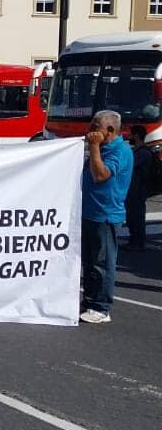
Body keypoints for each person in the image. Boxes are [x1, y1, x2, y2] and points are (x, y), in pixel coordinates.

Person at [80, 110, 132, 324]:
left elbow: (101, 175)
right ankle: (90, 300)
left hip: (106, 214)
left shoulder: (119, 151)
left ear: (110, 130)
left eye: (95, 128)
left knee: (102, 262)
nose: (91, 132)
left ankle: (101, 307)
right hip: (90, 212)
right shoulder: (103, 148)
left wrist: (93, 148)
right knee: (90, 262)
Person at [125, 125, 151, 252]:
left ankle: (138, 242)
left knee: (137, 217)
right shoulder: (137, 151)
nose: (129, 136)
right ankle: (134, 240)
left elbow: (128, 165)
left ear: (136, 135)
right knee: (132, 216)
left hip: (138, 190)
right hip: (132, 190)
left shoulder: (143, 153)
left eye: (131, 134)